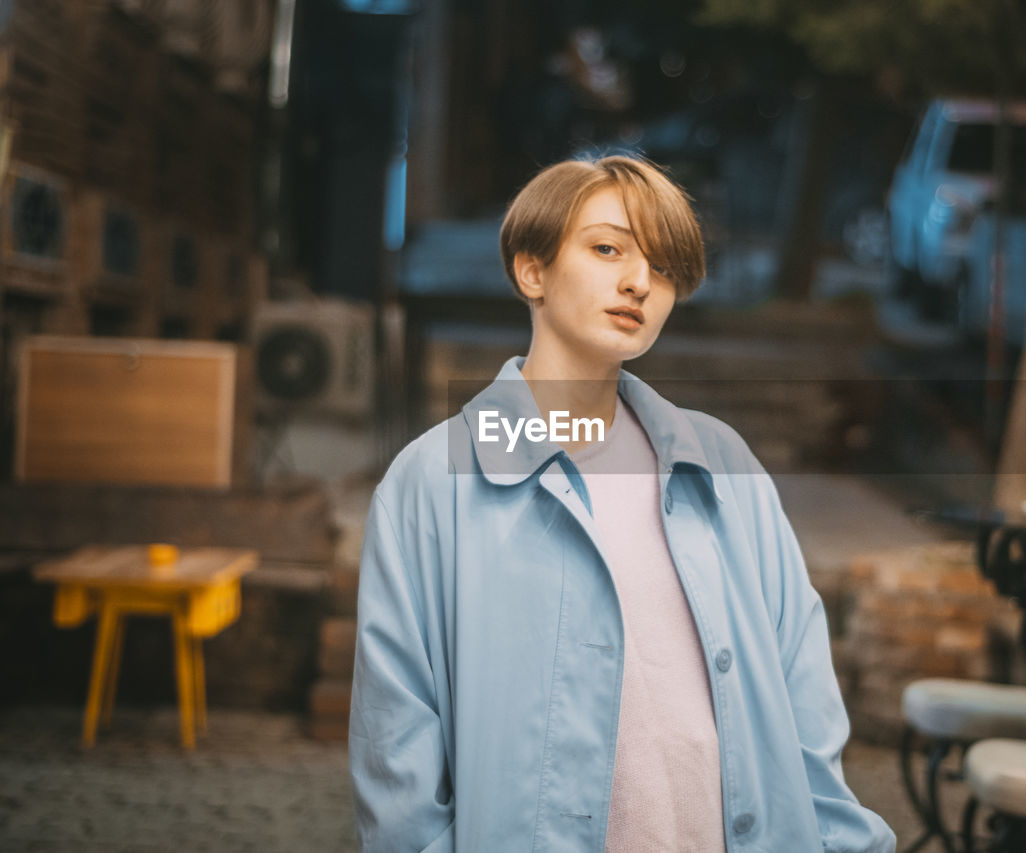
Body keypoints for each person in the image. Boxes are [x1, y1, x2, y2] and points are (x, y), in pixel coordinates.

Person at [349, 155, 895, 852]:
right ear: (532, 270)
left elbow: (805, 695)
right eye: (607, 249)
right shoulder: (432, 482)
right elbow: (395, 746)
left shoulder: (721, 461)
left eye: (663, 267)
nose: (639, 281)